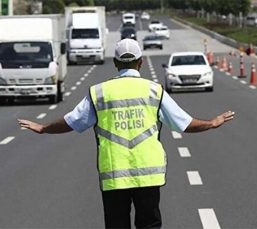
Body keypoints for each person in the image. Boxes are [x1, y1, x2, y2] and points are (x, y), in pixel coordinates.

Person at [18, 38, 235, 229]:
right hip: (148, 176)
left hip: (114, 175)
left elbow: (72, 122)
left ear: (115, 63)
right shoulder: (154, 90)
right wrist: (212, 123)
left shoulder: (100, 92)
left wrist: (43, 128)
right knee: (149, 225)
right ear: (140, 62)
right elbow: (184, 124)